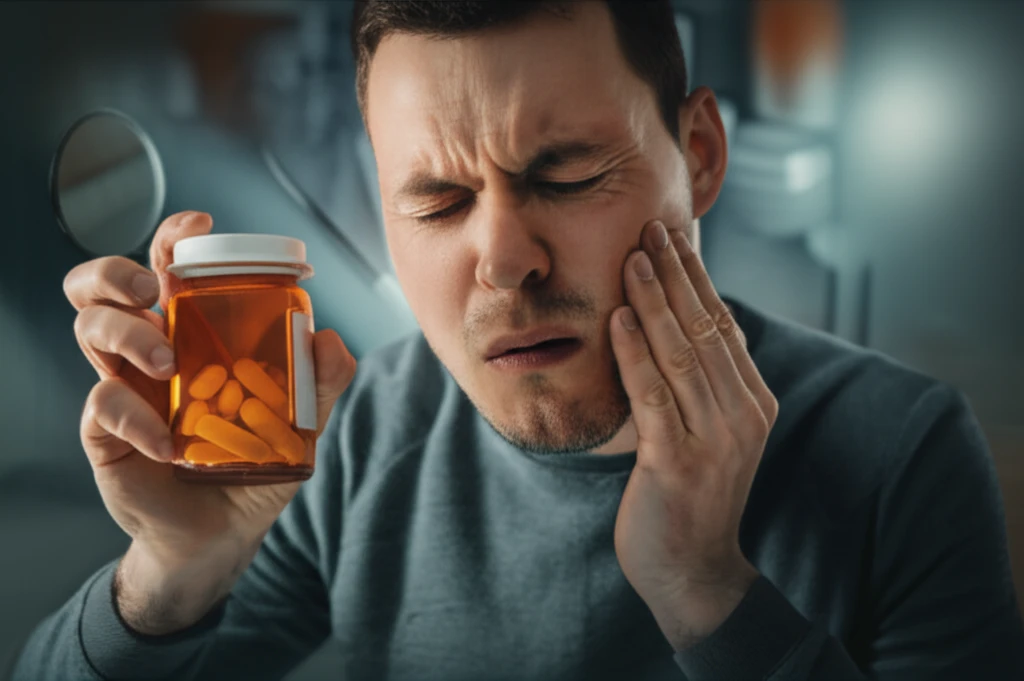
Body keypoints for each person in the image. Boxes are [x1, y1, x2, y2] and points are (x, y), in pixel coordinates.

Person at [13, 2, 1024, 680]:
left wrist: (710, 595)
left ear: (700, 158)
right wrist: (165, 579)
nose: (504, 260)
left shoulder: (901, 452)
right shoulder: (356, 437)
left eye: (568, 176)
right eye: (437, 201)